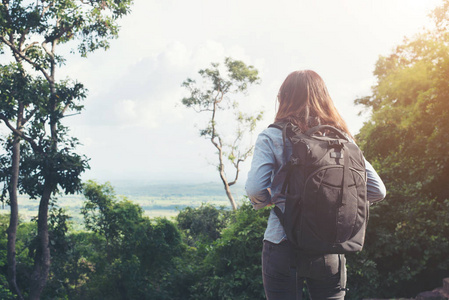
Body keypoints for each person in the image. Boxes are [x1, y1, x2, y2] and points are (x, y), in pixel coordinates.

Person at [245, 70, 386, 300]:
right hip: (329, 246)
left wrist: (269, 198)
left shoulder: (272, 136)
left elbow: (255, 190)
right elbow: (377, 190)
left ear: (284, 98)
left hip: (282, 243)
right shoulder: (342, 140)